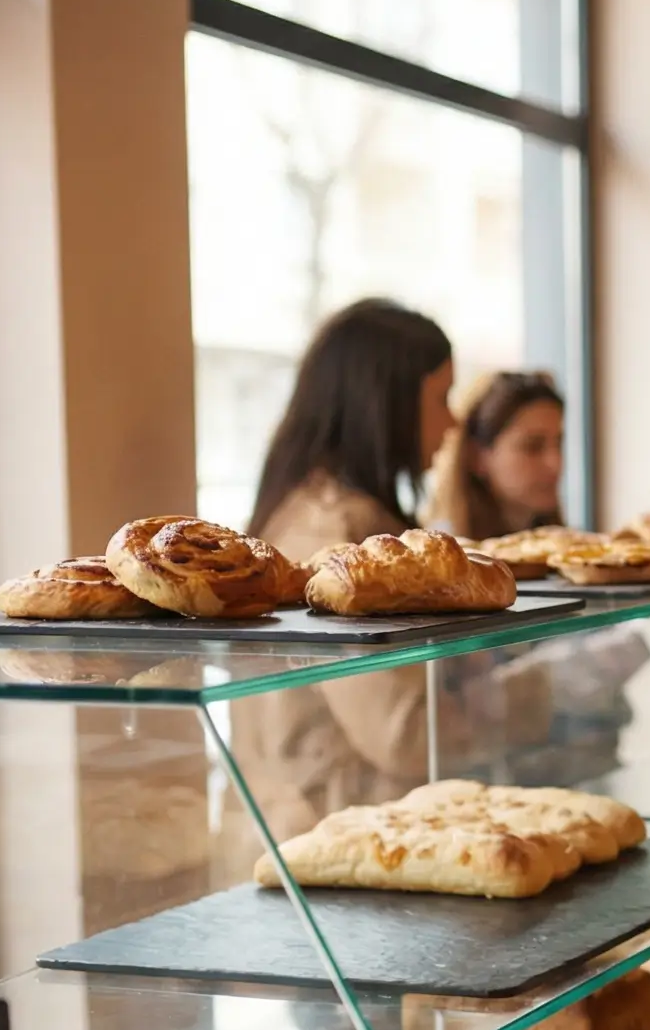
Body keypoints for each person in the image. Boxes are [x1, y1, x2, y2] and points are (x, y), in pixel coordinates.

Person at [228, 298, 464, 839]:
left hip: (338, 836)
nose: (452, 422)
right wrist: (533, 697)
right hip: (341, 841)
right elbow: (404, 732)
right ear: (386, 403)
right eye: (440, 397)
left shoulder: (327, 515)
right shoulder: (335, 536)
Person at [424, 369, 567, 541]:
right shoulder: (440, 552)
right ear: (477, 457)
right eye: (532, 447)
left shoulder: (574, 554)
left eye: (559, 443)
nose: (555, 463)